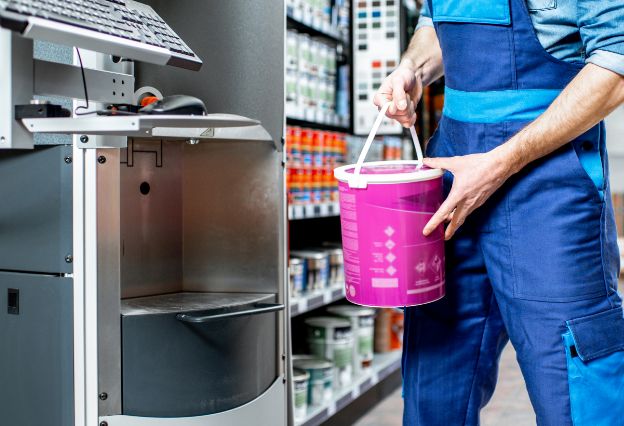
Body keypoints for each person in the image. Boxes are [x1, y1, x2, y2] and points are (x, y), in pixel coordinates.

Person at [373, 1, 624, 425]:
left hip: (549, 186)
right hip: (452, 173)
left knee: (574, 389)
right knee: (434, 386)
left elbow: (616, 65)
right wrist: (411, 69)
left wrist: (501, 162)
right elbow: (435, 22)